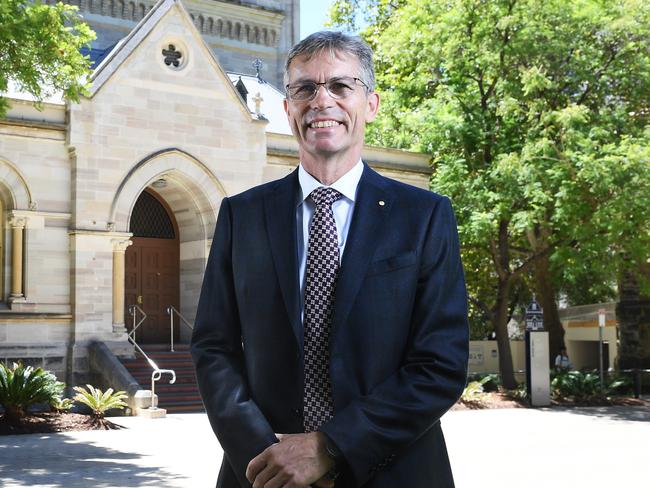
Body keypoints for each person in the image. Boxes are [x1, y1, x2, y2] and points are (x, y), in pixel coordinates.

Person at [191, 31, 469, 488]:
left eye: (341, 86)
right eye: (304, 88)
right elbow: (214, 347)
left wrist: (329, 446)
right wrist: (268, 453)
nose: (322, 101)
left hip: (395, 470)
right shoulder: (241, 216)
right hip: (264, 473)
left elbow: (440, 363)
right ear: (288, 108)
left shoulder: (423, 217)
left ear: (371, 104)